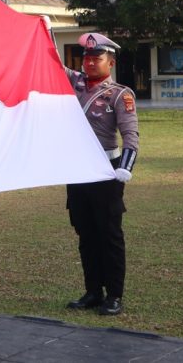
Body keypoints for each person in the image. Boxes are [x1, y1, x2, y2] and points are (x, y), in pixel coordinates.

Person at [61, 32, 139, 317]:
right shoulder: (74, 82)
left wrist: (125, 168)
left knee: (109, 235)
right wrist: (43, 33)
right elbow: (49, 63)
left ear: (111, 62)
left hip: (106, 172)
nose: (90, 62)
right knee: (85, 233)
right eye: (87, 57)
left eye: (97, 58)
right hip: (78, 171)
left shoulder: (120, 94)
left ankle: (114, 295)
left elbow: (131, 137)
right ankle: (93, 291)